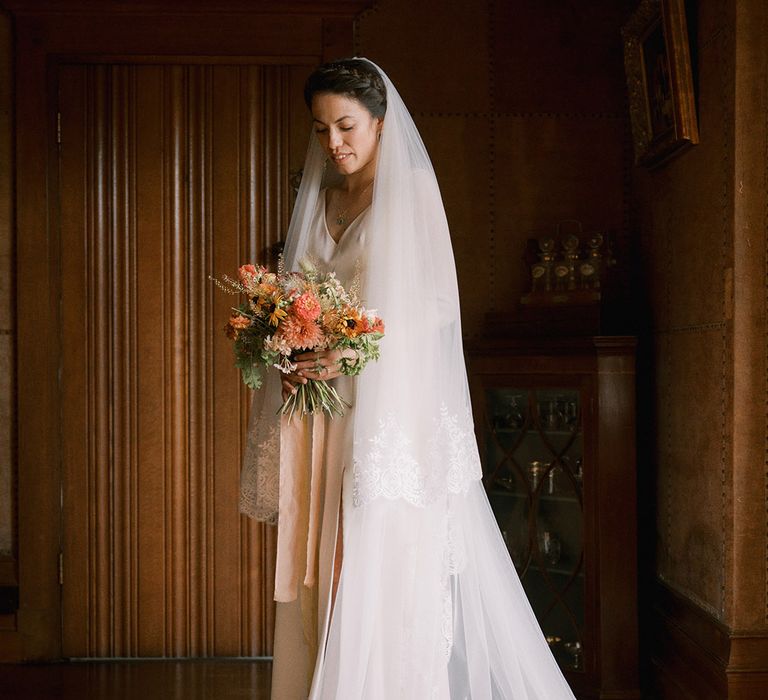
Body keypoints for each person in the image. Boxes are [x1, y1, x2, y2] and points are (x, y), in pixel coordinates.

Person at [240, 58, 577, 700]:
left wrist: (350, 354)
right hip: (319, 413)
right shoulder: (319, 196)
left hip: (385, 412)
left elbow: (430, 313)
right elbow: (296, 293)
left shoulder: (412, 193)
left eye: (346, 126)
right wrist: (289, 350)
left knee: (376, 569)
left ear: (380, 123)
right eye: (320, 129)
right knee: (321, 570)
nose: (333, 143)